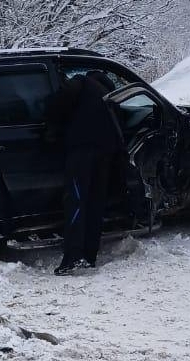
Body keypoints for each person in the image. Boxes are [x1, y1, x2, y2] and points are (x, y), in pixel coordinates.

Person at [52, 71, 125, 276]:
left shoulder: (81, 83)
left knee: (76, 202)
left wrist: (53, 125)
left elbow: (59, 102)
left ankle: (73, 257)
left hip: (82, 152)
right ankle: (89, 255)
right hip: (106, 153)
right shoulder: (109, 94)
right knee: (95, 203)